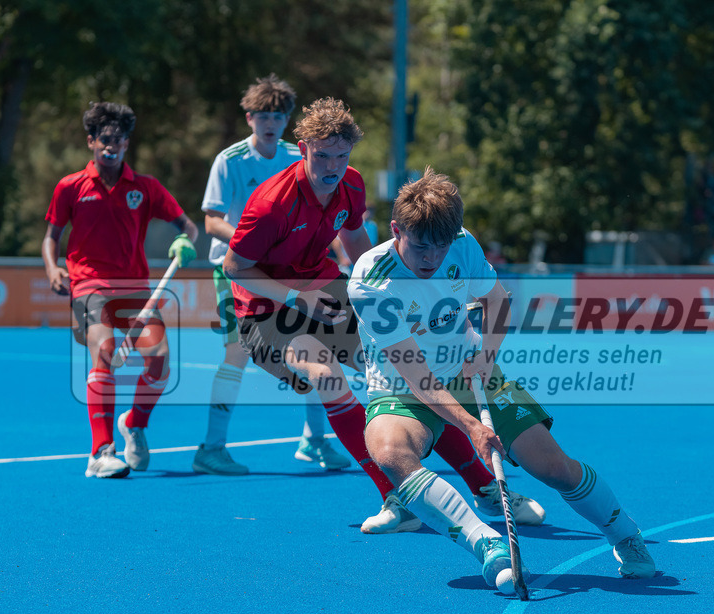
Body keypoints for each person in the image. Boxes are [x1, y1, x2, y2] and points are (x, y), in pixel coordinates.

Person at [221, 98, 545, 533]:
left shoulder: (350, 185)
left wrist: (402, 299)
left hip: (329, 292)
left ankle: (486, 489)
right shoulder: (271, 203)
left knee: (411, 374)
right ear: (302, 149)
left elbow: (362, 253)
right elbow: (234, 267)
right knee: (325, 375)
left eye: (342, 155)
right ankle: (395, 497)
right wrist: (299, 298)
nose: (333, 166)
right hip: (267, 312)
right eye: (323, 156)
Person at [347, 168, 655, 587]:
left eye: (440, 248)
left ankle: (625, 534)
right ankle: (486, 544)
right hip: (403, 386)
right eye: (420, 247)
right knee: (389, 450)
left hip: (469, 368)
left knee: (552, 468)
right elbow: (416, 374)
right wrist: (471, 426)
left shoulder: (462, 244)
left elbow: (496, 302)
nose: (431, 259)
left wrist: (485, 358)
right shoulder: (373, 279)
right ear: (396, 230)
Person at [197, 74, 346, 475]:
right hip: (236, 271)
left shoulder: (300, 158)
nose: (270, 121)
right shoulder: (229, 161)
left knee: (318, 345)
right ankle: (211, 448)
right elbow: (212, 221)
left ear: (287, 120)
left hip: (290, 270)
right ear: (249, 118)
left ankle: (314, 440)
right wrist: (253, 246)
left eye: (278, 115)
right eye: (262, 114)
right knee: (238, 353)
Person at [42, 101, 198, 478]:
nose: (112, 146)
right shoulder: (70, 187)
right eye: (105, 139)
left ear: (128, 143)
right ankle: (101, 451)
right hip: (88, 284)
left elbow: (188, 227)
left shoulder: (145, 187)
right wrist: (52, 266)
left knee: (160, 362)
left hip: (134, 288)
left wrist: (184, 243)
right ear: (91, 142)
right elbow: (51, 236)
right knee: (105, 351)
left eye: (120, 140)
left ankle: (135, 423)